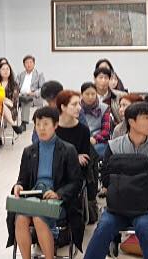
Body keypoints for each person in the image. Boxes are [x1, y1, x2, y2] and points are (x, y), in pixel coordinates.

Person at [85, 103, 148, 259]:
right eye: (146, 118)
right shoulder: (114, 146)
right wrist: (142, 179)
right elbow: (106, 179)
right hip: (118, 206)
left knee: (144, 226)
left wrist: (122, 177)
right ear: (131, 122)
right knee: (104, 226)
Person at [8, 107, 83, 259]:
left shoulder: (68, 150)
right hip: (34, 197)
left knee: (38, 216)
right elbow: (22, 179)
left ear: (55, 125)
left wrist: (58, 194)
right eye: (38, 124)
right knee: (20, 218)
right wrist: (19, 186)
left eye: (46, 124)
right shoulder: (29, 151)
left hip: (58, 201)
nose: (41, 128)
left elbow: (76, 182)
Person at [54, 90, 96, 224]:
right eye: (74, 104)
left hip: (74, 174)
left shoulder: (83, 130)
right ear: (63, 107)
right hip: (54, 172)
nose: (79, 108)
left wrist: (68, 158)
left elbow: (85, 160)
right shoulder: (53, 128)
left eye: (79, 104)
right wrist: (74, 157)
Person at [79, 82, 112, 157]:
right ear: (81, 95)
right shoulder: (77, 108)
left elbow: (106, 131)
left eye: (93, 94)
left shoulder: (104, 108)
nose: (90, 97)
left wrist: (95, 139)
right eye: (87, 94)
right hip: (81, 141)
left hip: (98, 141)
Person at [16, 55, 47, 129]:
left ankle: (24, 123)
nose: (29, 64)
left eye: (30, 62)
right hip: (21, 96)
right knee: (23, 99)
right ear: (24, 65)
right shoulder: (20, 74)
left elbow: (42, 88)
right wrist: (17, 93)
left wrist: (34, 93)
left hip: (33, 96)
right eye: (26, 63)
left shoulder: (39, 74)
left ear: (34, 64)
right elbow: (15, 86)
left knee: (26, 100)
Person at [0, 62, 22, 130]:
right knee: (0, 106)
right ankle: (13, 125)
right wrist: (4, 100)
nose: (6, 71)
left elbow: (13, 102)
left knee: (2, 106)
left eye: (7, 69)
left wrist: (2, 100)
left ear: (10, 71)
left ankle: (0, 131)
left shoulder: (14, 84)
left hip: (11, 109)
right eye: (3, 69)